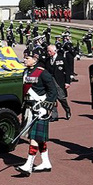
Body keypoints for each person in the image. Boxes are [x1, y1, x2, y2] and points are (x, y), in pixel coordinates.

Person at [15, 48, 57, 176]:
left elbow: (53, 92)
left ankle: (28, 164)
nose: (24, 59)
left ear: (35, 59)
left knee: (34, 137)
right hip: (29, 107)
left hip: (40, 109)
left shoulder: (42, 73)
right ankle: (45, 162)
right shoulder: (26, 71)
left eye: (27, 58)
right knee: (39, 138)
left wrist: (46, 107)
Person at [45, 44, 71, 121]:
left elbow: (67, 71)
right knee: (52, 98)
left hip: (59, 82)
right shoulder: (47, 60)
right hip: (50, 81)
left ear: (54, 51)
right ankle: (54, 116)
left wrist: (67, 82)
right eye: (48, 51)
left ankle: (67, 110)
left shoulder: (62, 59)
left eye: (49, 51)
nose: (48, 53)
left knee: (61, 98)